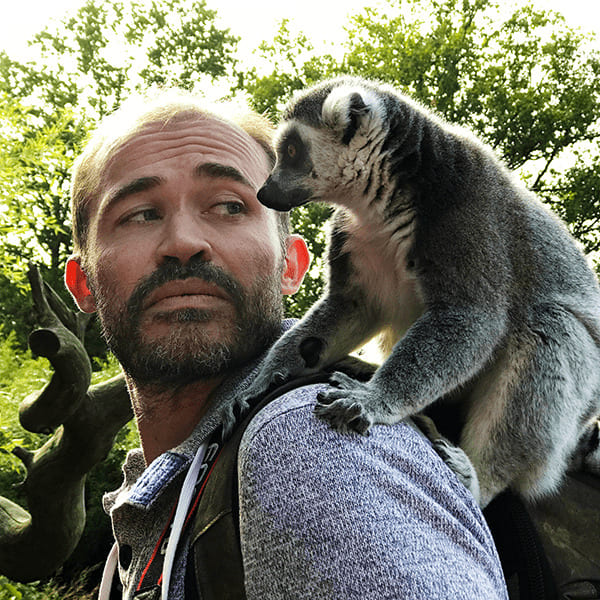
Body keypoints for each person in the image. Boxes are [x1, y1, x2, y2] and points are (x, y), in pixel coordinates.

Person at [65, 88, 509, 600]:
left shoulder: (306, 440)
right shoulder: (149, 502)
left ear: (293, 266)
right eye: (141, 214)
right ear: (83, 283)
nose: (184, 241)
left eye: (231, 206)